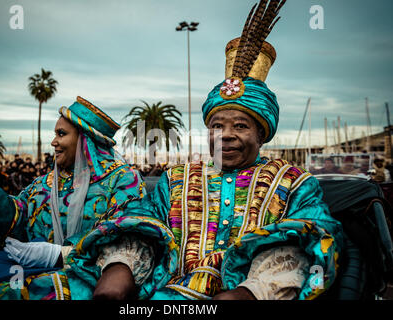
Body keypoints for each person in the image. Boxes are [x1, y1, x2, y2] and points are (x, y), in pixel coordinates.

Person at [70, 0, 344, 300]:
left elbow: (313, 234)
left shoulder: (294, 182)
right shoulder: (176, 179)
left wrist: (249, 293)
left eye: (240, 126)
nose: (225, 136)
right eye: (216, 126)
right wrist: (119, 270)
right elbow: (144, 222)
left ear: (262, 134)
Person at [0, 96, 146, 299]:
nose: (53, 142)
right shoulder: (44, 183)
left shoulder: (123, 181)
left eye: (61, 134)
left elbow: (130, 238)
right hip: (24, 272)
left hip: (83, 279)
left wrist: (61, 255)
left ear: (85, 140)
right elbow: (19, 214)